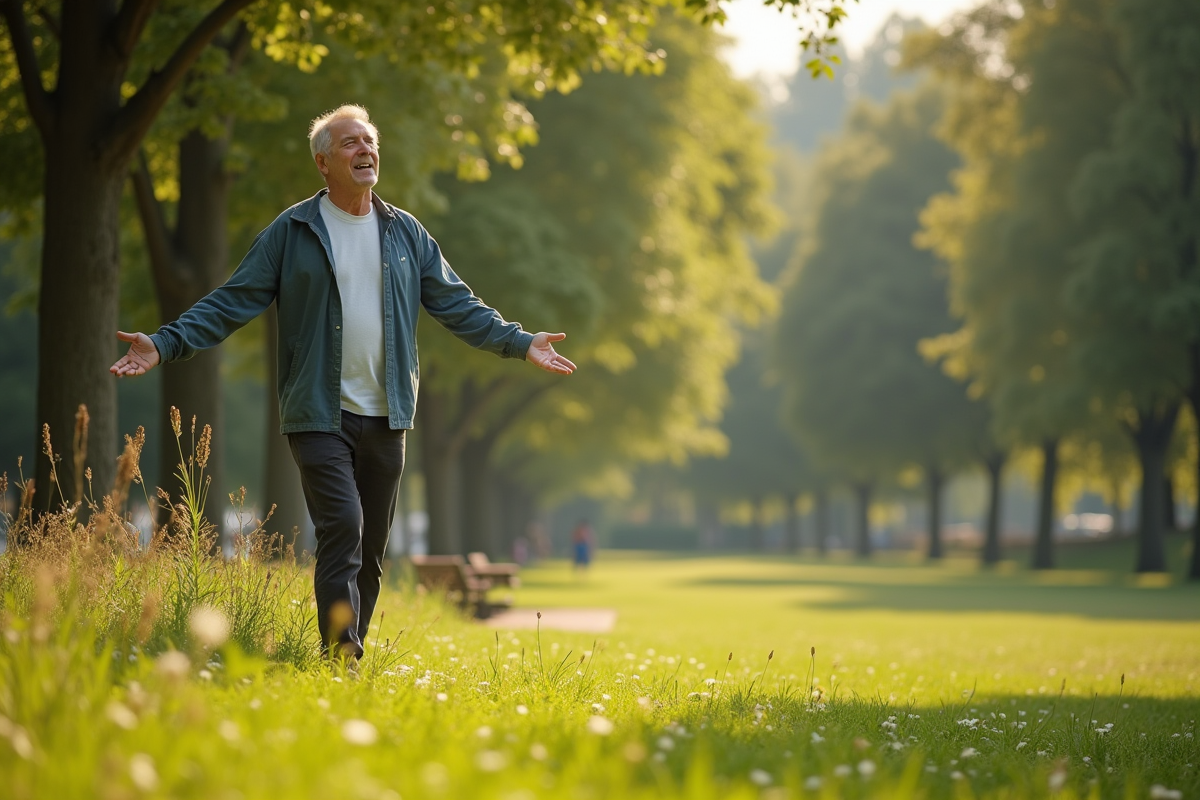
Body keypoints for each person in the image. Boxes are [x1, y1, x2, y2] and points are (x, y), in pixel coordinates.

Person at [110, 104, 576, 659]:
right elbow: (232, 302)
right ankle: (340, 652)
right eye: (351, 143)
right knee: (345, 527)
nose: (365, 150)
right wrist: (163, 343)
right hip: (318, 412)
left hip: (388, 413)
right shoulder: (293, 231)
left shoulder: (406, 234)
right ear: (323, 162)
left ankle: (349, 650)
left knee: (371, 549)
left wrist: (520, 342)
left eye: (370, 141)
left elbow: (458, 305)